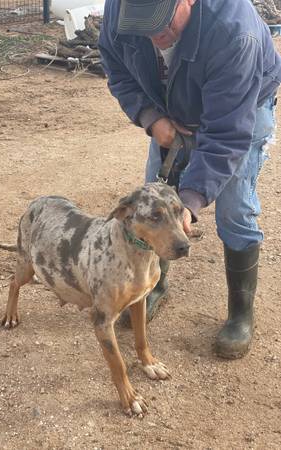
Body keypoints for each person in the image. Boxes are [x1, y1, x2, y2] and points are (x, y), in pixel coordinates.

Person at [98, 0, 281, 359]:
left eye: (163, 23)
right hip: (169, 106)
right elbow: (116, 66)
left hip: (242, 108)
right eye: (144, 25)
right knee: (153, 202)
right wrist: (152, 118)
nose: (155, 36)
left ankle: (241, 315)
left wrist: (190, 201)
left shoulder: (234, 31)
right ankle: (153, 285)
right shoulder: (120, 9)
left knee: (234, 209)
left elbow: (227, 134)